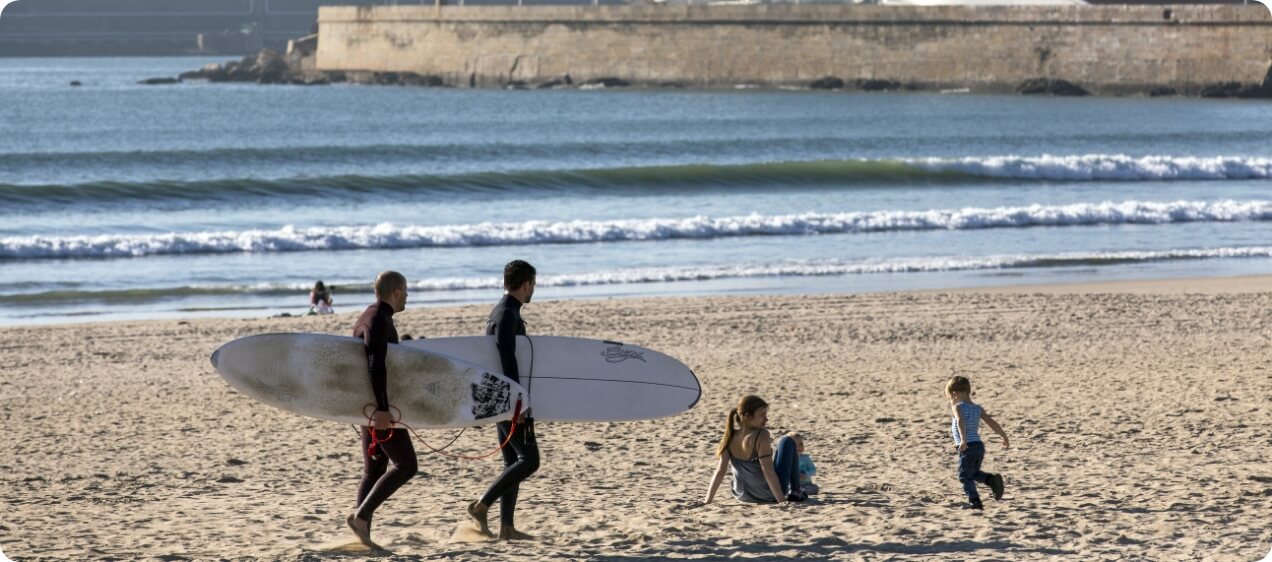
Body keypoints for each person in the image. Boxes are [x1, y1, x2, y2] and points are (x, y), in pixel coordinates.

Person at [466, 260, 540, 540]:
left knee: (512, 462)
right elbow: (507, 358)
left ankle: (506, 527)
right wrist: (518, 401)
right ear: (525, 284)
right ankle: (481, 505)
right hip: (508, 398)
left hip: (500, 396)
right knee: (529, 460)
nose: (533, 290)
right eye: (533, 284)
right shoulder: (508, 314)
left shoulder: (502, 310)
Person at [345, 271, 417, 546]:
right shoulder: (378, 320)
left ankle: (362, 532)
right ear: (396, 292)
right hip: (378, 408)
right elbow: (375, 364)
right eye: (405, 291)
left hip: (367, 406)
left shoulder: (370, 315)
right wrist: (383, 409)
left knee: (374, 471)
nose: (407, 296)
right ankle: (361, 517)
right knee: (407, 465)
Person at [703, 395, 805, 505]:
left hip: (741, 495)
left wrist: (707, 500)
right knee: (787, 441)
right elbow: (767, 471)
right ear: (747, 415)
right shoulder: (762, 435)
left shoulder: (729, 436)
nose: (766, 419)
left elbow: (720, 471)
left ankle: (795, 490)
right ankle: (796, 490)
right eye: (762, 415)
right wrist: (781, 500)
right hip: (767, 494)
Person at [946, 375, 1009, 510]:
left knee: (964, 476)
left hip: (967, 446)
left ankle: (975, 502)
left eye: (950, 398)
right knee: (972, 473)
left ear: (955, 394)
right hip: (978, 446)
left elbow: (960, 421)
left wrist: (963, 440)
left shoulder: (957, 407)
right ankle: (991, 480)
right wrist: (1003, 435)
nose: (950, 401)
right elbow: (991, 422)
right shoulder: (977, 408)